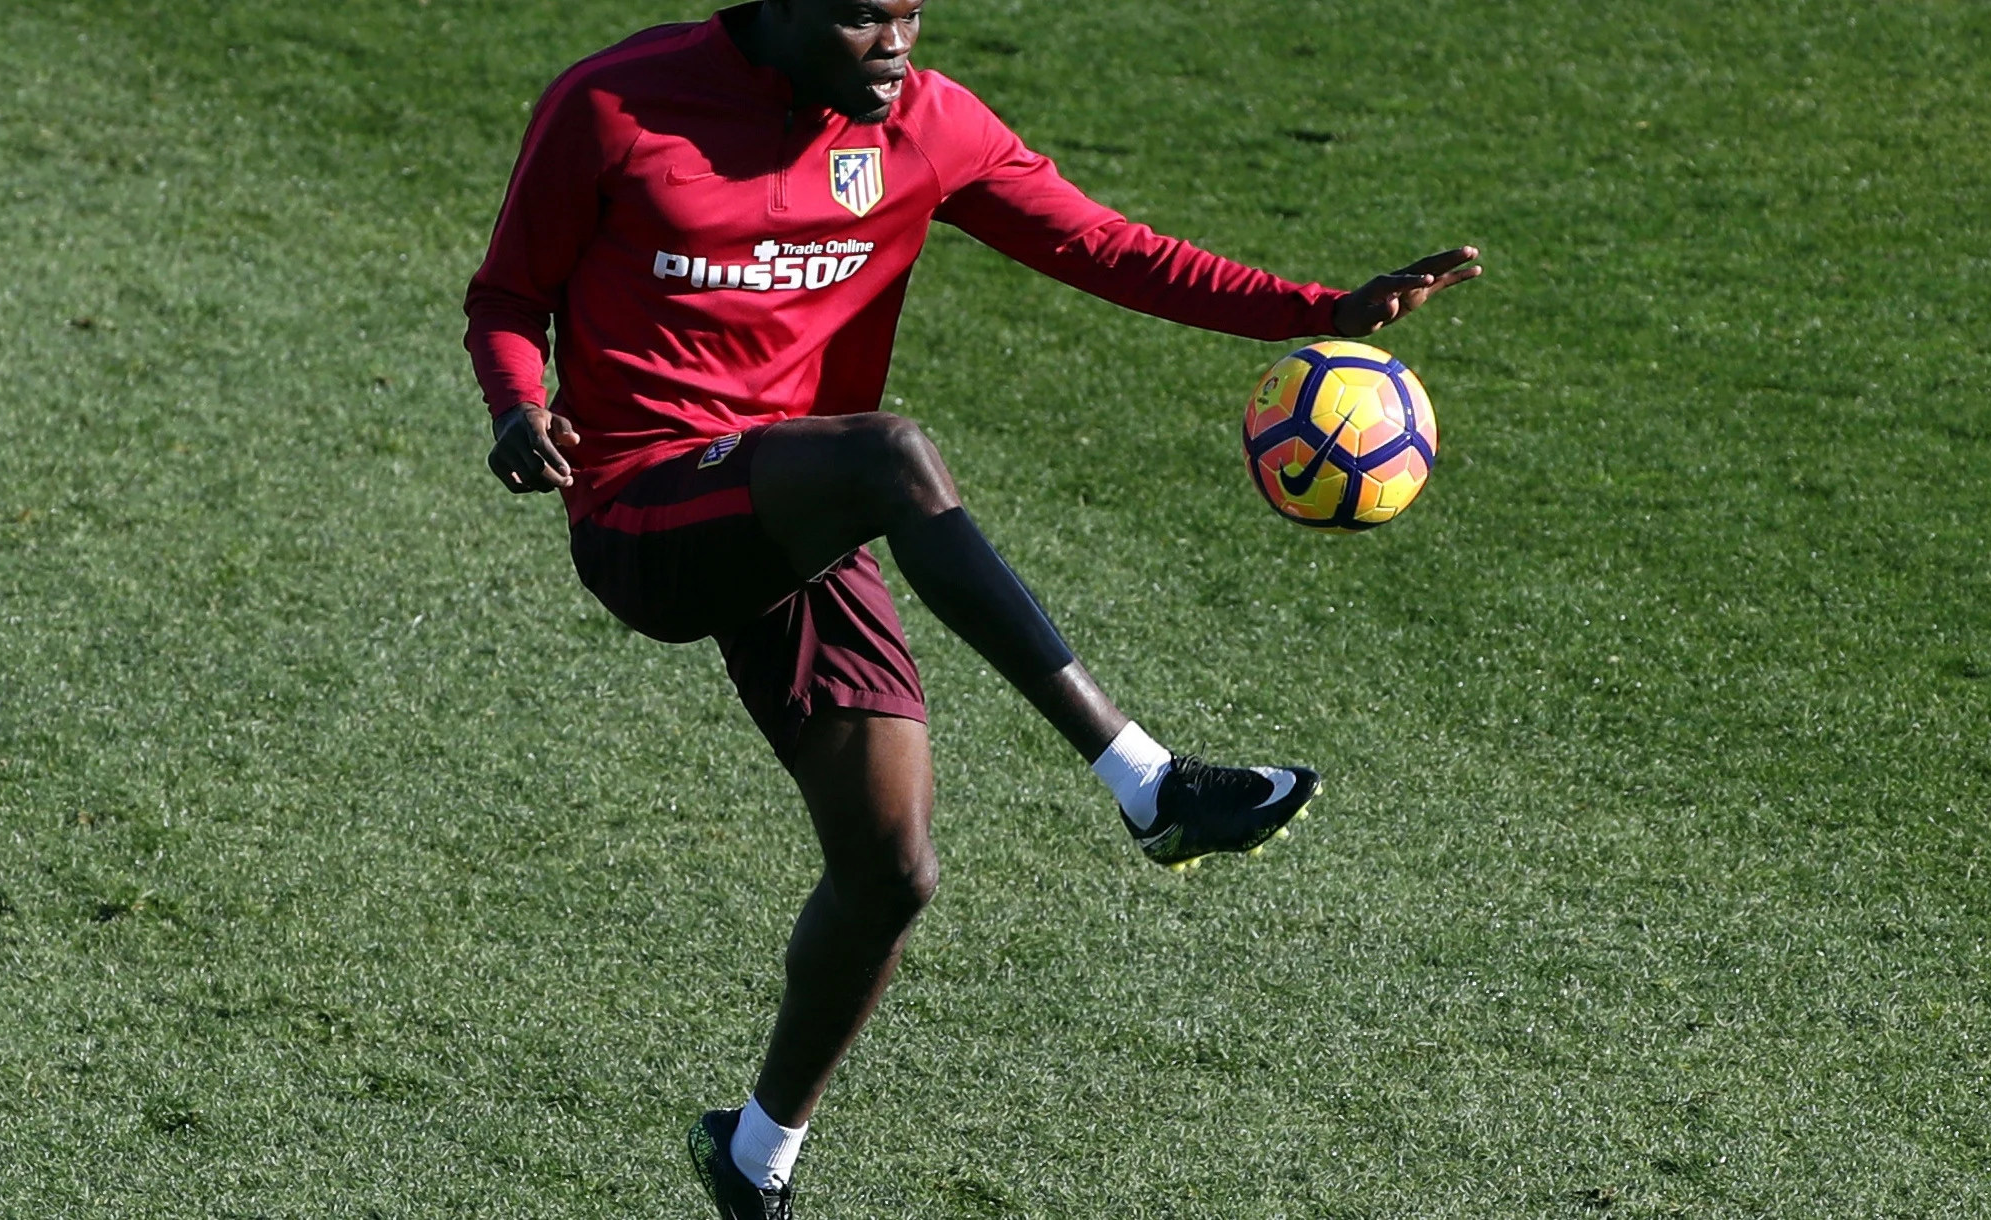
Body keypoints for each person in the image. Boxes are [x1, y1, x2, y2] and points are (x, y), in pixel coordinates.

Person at [464, 2, 1479, 1215]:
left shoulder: (930, 127)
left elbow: (1111, 249)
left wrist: (1320, 307)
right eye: (858, 19)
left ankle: (754, 1154)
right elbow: (507, 295)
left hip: (800, 504)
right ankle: (1146, 782)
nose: (893, 43)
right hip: (643, 506)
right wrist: (517, 403)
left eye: (906, 14)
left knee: (891, 868)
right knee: (892, 455)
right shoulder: (614, 105)